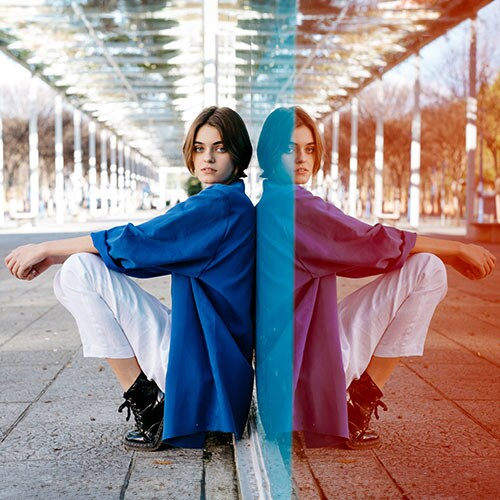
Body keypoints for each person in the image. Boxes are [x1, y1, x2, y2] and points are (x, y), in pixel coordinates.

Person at [5, 106, 255, 450]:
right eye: (199, 148)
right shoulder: (231, 203)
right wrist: (53, 255)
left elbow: (138, 242)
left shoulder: (219, 205)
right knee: (72, 274)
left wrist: (48, 248)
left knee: (78, 270)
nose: (207, 157)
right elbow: (144, 255)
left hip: (204, 367)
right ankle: (151, 398)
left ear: (238, 153)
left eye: (220, 147)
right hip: (211, 358)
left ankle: (149, 403)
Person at [256, 106, 496, 449]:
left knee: (420, 264)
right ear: (270, 150)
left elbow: (359, 254)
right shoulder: (292, 206)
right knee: (429, 269)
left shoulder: (275, 202)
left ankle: (356, 399)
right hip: (304, 367)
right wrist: (455, 249)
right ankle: (359, 403)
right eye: (290, 148)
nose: (302, 158)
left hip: (286, 364)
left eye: (309, 148)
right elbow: (369, 242)